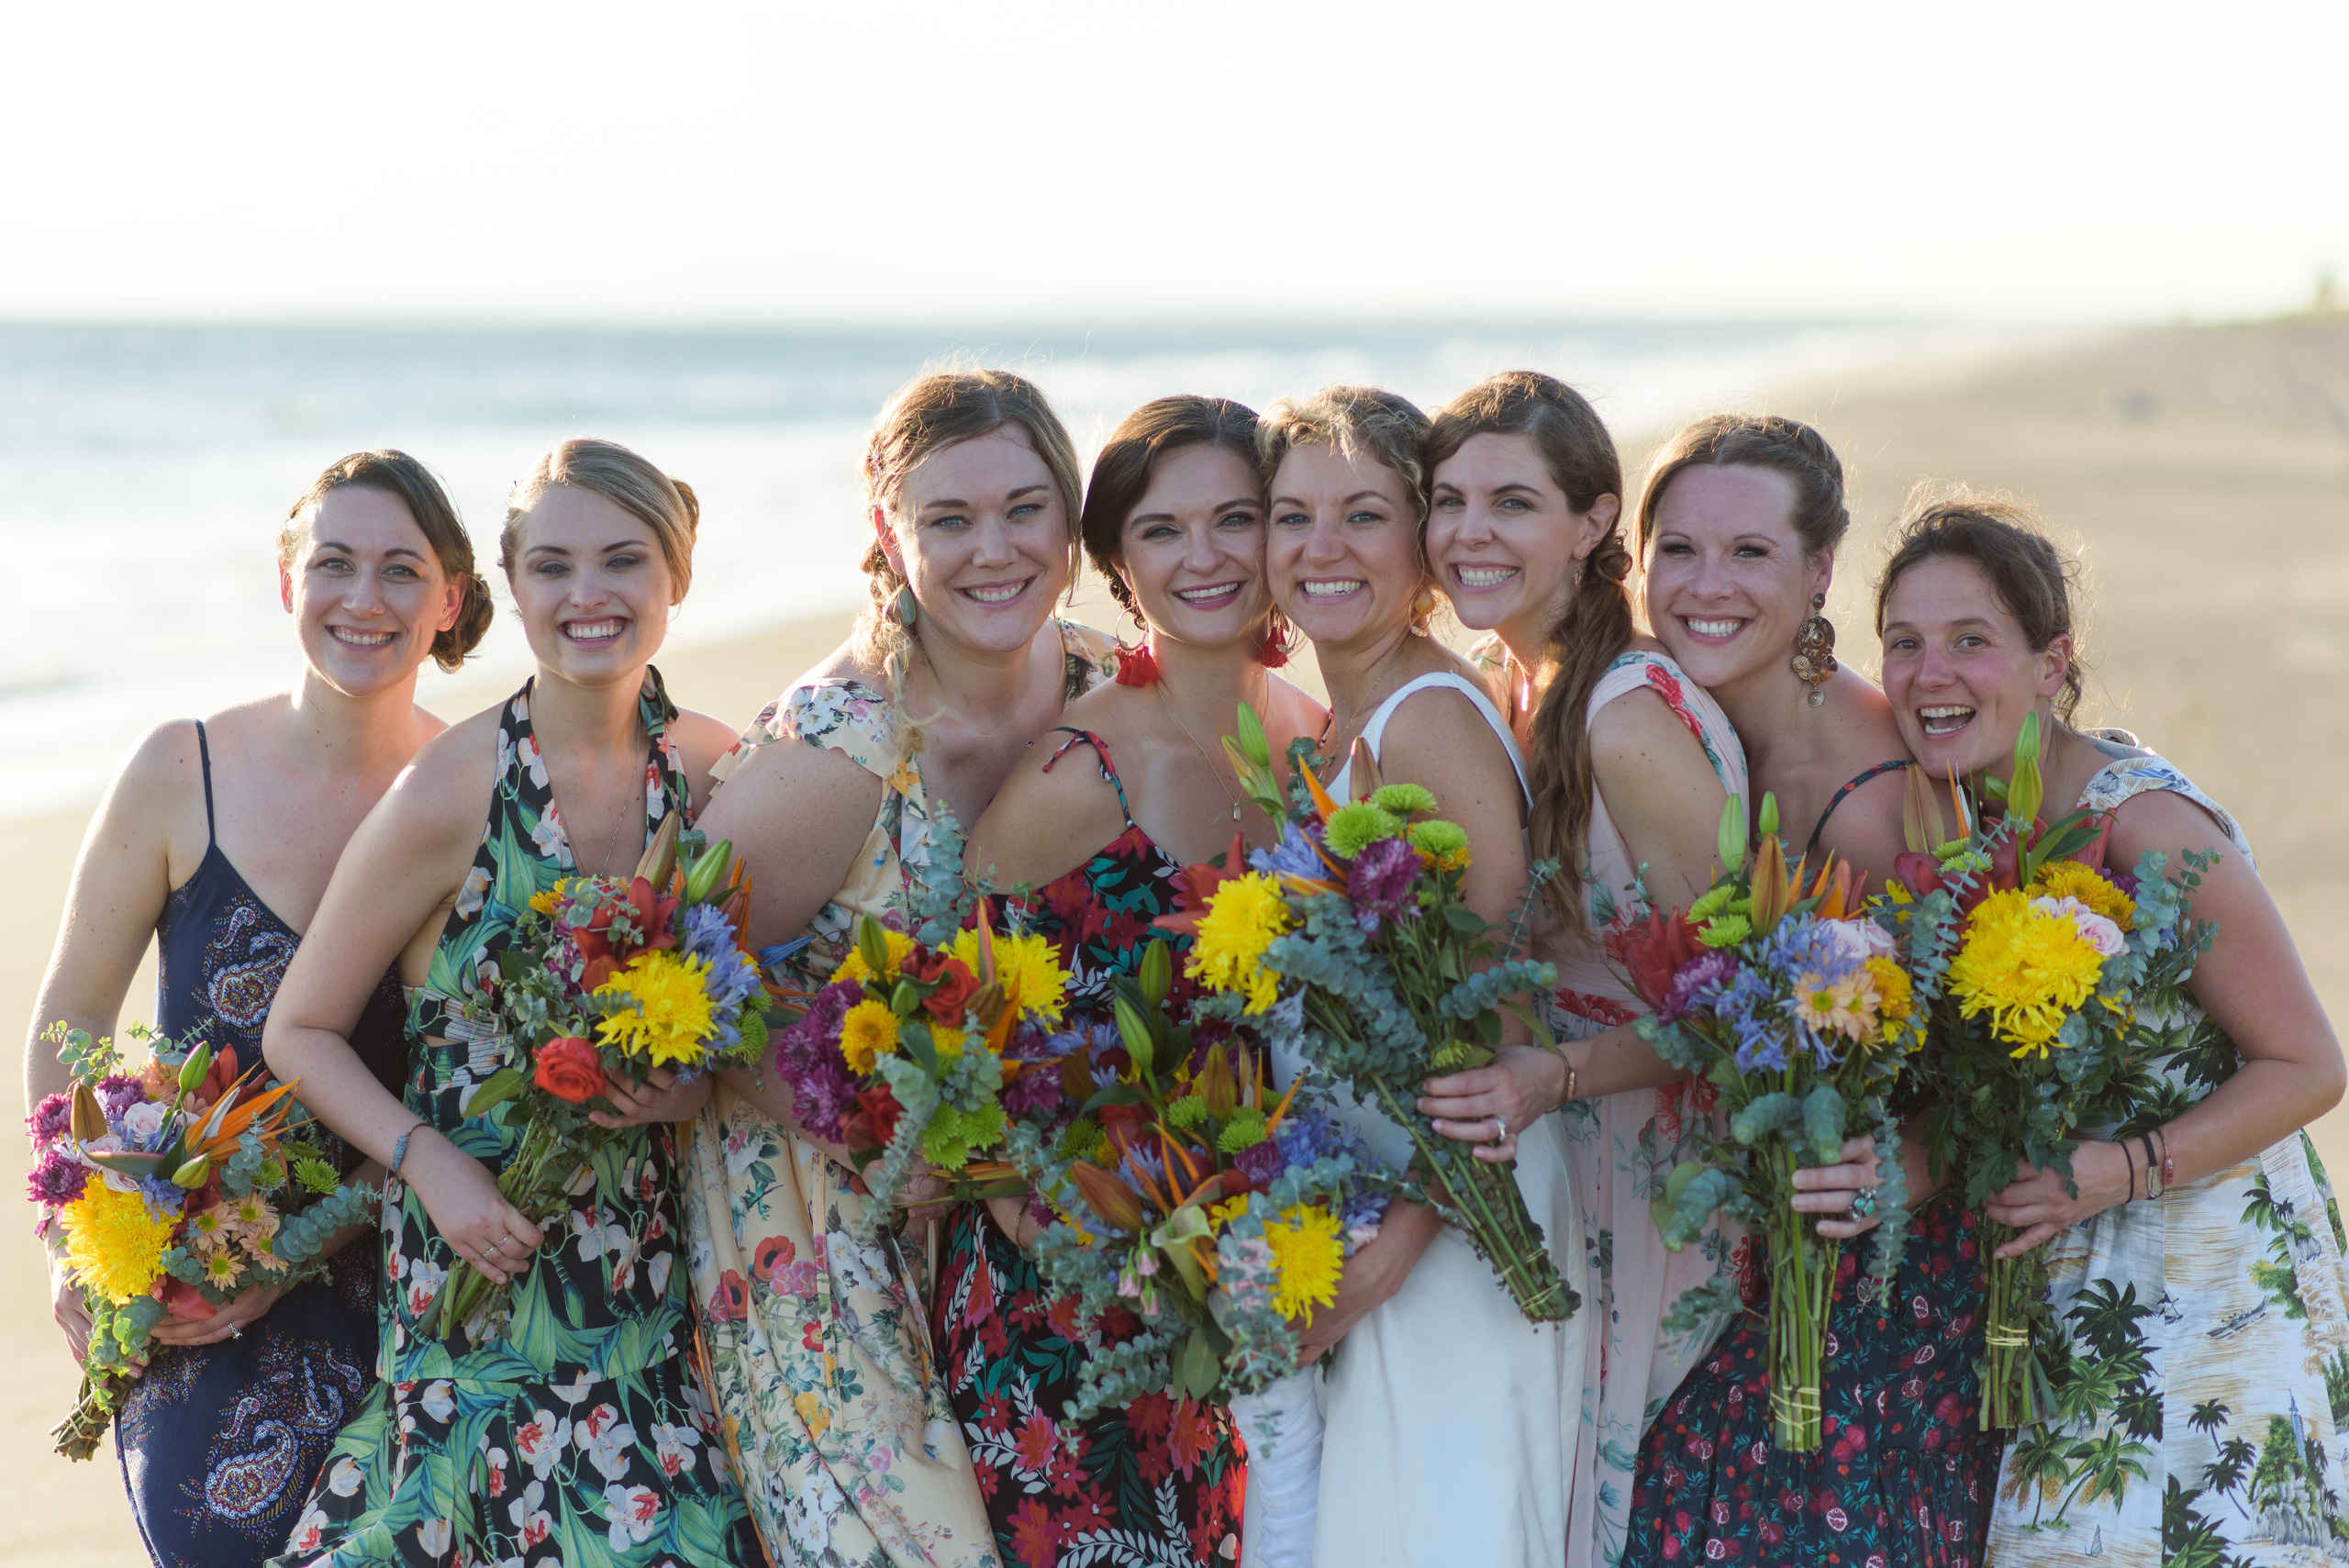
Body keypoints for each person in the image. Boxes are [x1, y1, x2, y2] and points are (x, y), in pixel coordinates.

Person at [259, 439, 759, 1566]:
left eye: (623, 561)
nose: (588, 595)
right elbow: (300, 1026)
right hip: (470, 1300)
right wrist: (426, 1158)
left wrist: (692, 1087)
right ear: (513, 585)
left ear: (675, 577)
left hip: (649, 1304)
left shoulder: (719, 772)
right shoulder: (450, 787)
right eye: (553, 567)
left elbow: (746, 1019)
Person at [22, 451, 487, 1568]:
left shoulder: (476, 797)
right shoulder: (179, 770)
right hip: (195, 1297)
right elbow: (69, 1017)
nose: (362, 600)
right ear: (288, 582)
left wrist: (303, 1245)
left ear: (450, 601)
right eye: (333, 563)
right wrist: (73, 1241)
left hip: (418, 1276)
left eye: (399, 571)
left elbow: (476, 1087)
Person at [678, 370, 1106, 1566]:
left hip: (1014, 1221)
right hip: (820, 1231)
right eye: (949, 520)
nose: (994, 550)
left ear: (1071, 522)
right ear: (887, 533)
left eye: (1025, 509)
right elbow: (663, 973)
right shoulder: (846, 745)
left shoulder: (1103, 689)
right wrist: (868, 1125)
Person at [1876, 487, 2349, 1566]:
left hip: (2215, 1282)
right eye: (1902, 642)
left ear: (2052, 662)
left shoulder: (2142, 822)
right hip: (2063, 1298)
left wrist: (2122, 1168)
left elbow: (2310, 1064)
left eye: (1969, 640)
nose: (1929, 672)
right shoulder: (1960, 822)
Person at [1620, 420, 1998, 1568]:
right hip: (1741, 1247)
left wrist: (1904, 1166)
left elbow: (1987, 1061)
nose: (1705, 585)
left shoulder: (1883, 787)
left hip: (1869, 1283)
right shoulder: (1690, 722)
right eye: (1676, 549)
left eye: (1747, 553)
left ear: (1820, 569)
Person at [957, 395, 1326, 1564]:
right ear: (1116, 560)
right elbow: (955, 1026)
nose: (1207, 555)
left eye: (1237, 518)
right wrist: (1053, 1221)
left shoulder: (1320, 743)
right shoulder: (1079, 771)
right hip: (1070, 1289)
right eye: (1164, 530)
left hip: (1260, 1278)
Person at [1410, 373, 1751, 1567]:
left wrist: (1543, 1079)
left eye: (1512, 501)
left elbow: (1746, 1015)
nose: (1469, 533)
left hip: (1661, 1175)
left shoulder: (1625, 715)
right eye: (1449, 501)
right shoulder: (1516, 684)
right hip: (1581, 1154)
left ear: (1595, 519)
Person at [1247, 382, 1580, 1568]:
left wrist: (1400, 1240)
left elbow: (1499, 1012)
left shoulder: (1428, 715)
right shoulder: (1333, 724)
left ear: (1424, 544)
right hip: (1374, 1201)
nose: (1320, 550)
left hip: (1453, 1229)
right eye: (1292, 517)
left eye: (1363, 517)